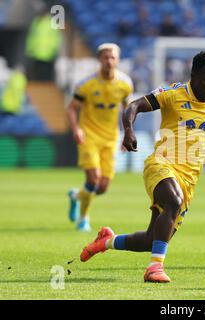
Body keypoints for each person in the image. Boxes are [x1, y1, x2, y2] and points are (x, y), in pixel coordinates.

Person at [79, 51, 205, 282]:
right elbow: (134, 106)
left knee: (152, 239)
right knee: (173, 200)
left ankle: (106, 241)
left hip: (189, 180)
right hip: (161, 165)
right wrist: (129, 130)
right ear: (193, 75)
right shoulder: (173, 94)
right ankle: (154, 269)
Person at [67, 43, 133, 232]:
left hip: (110, 137)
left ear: (118, 60)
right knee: (94, 178)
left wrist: (127, 133)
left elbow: (128, 111)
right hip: (89, 135)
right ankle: (83, 219)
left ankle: (76, 196)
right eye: (105, 57)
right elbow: (71, 108)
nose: (109, 61)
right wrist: (76, 129)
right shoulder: (86, 84)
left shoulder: (125, 84)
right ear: (99, 59)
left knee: (102, 187)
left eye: (112, 57)